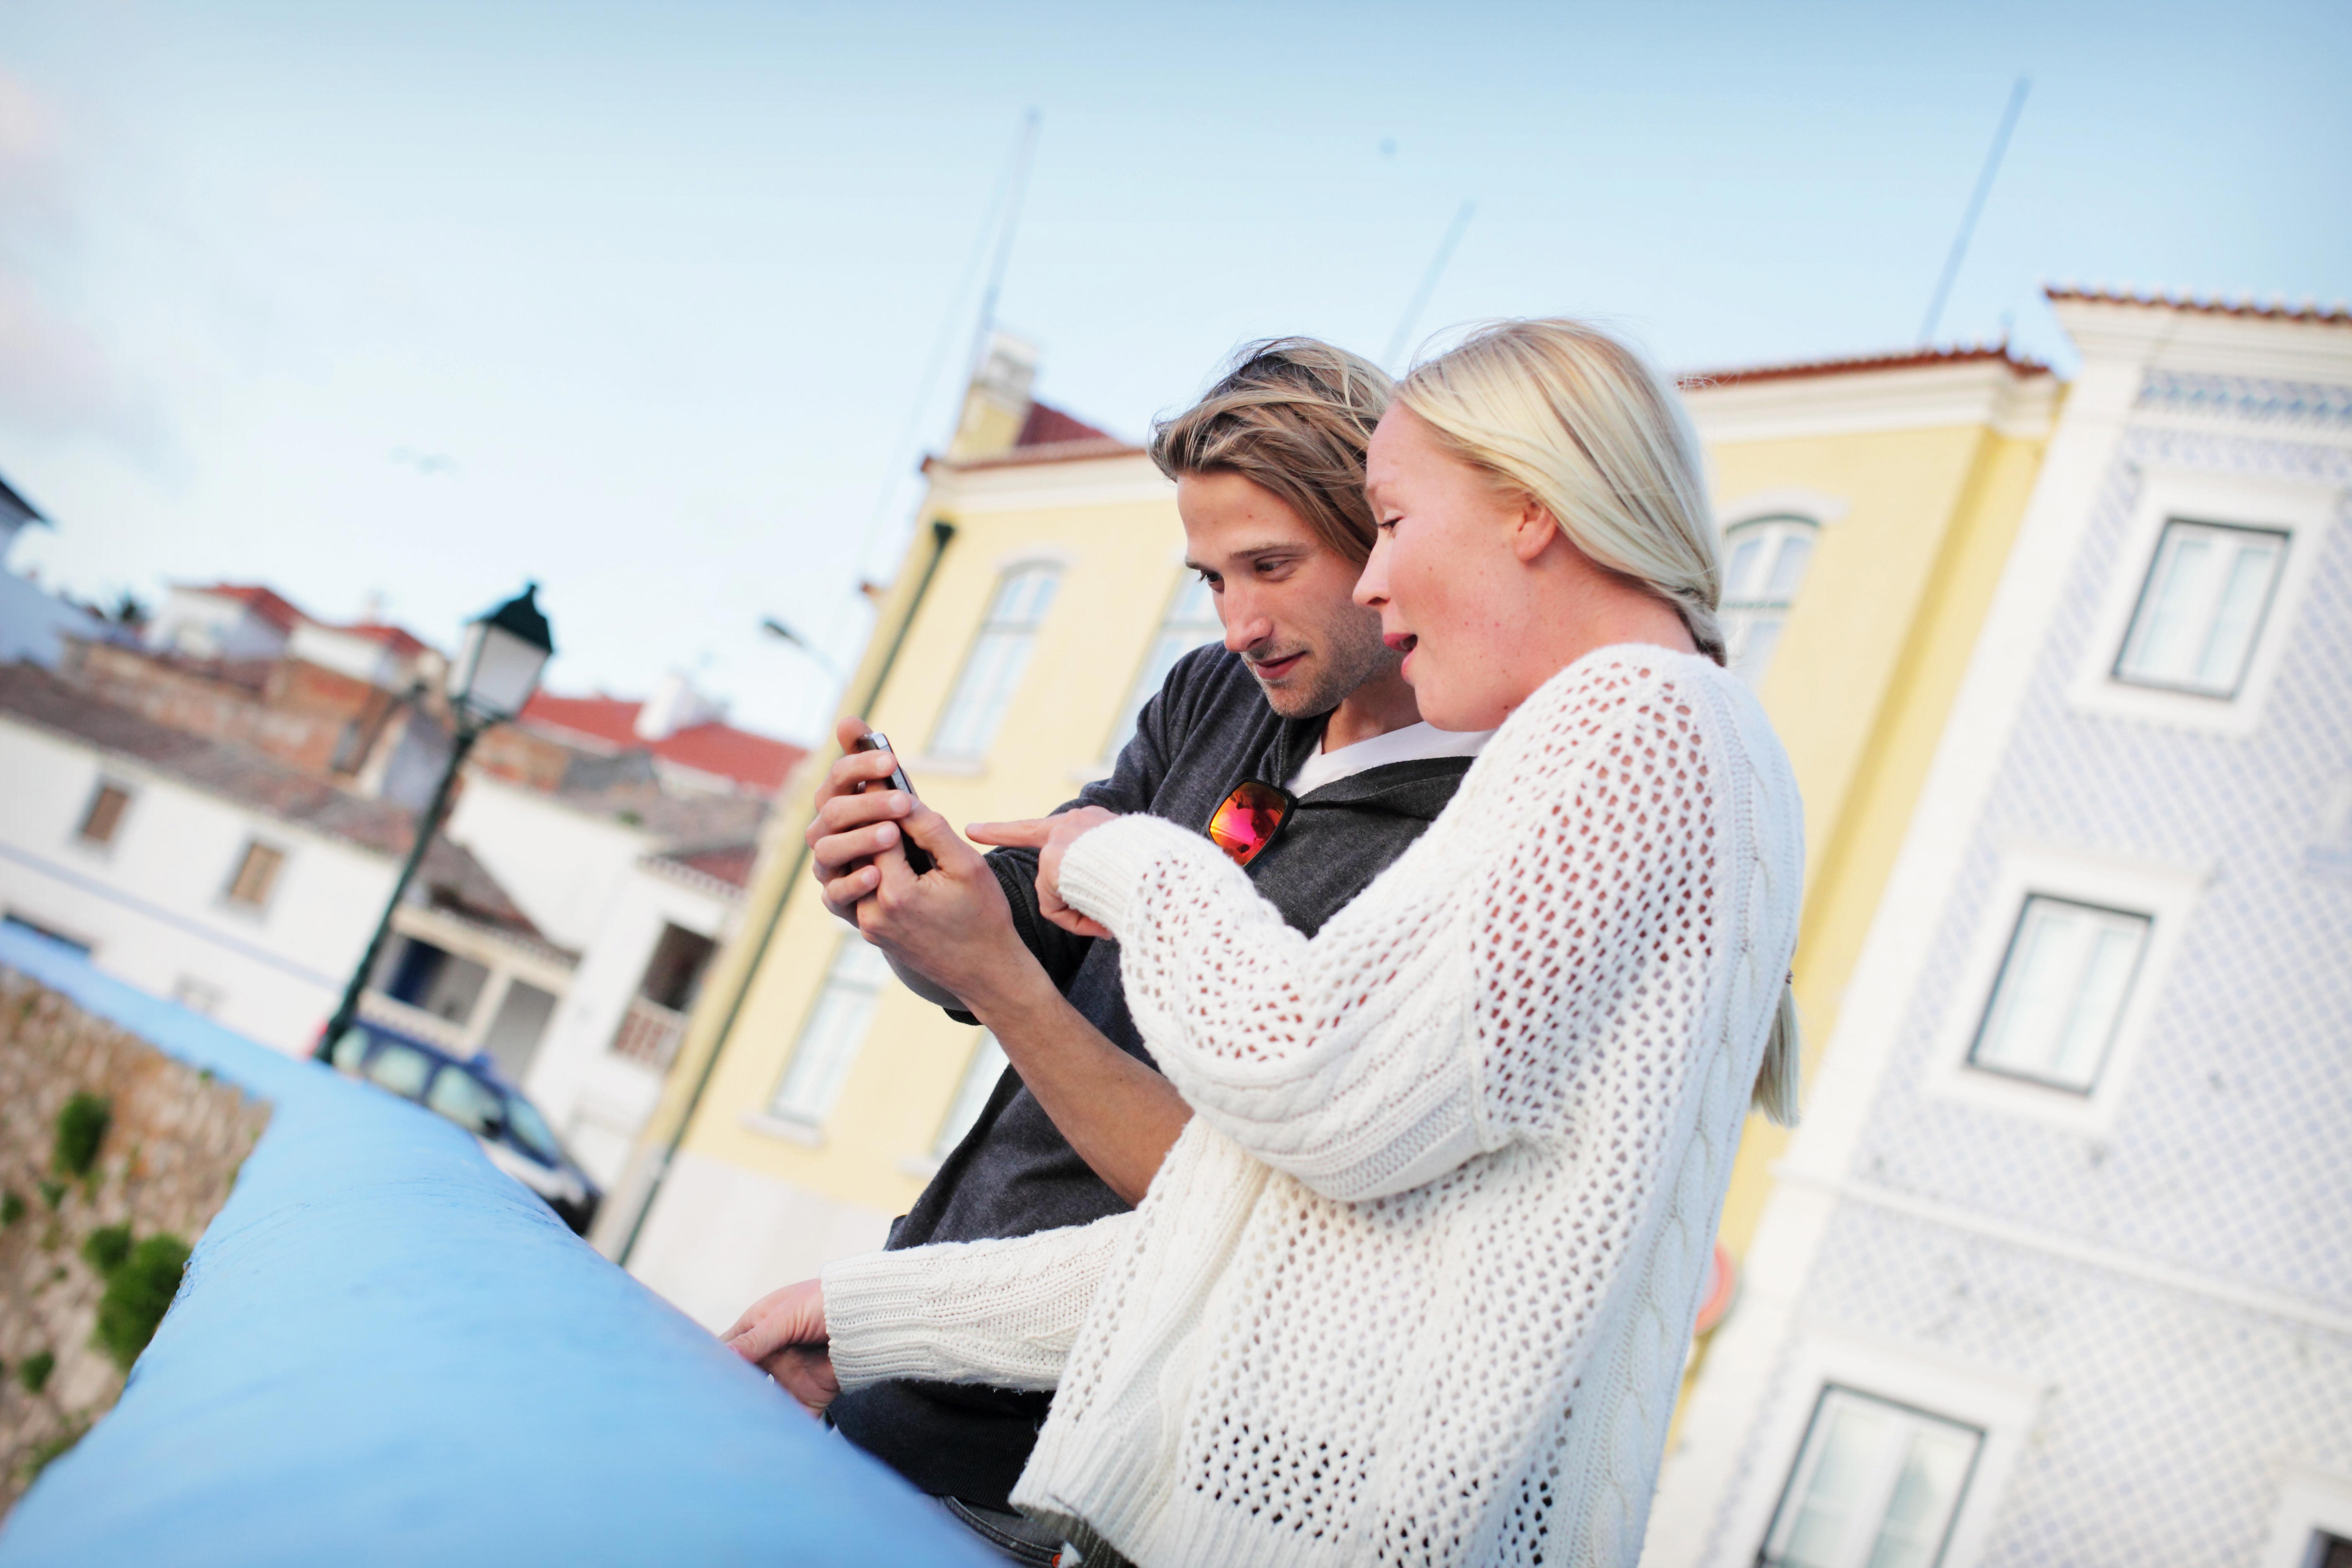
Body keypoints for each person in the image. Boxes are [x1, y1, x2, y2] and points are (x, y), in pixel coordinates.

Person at [728, 317, 1805, 1567]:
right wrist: (867, 1313)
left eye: (1391, 524)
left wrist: (1123, 859)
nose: (1375, 582)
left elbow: (1309, 1084)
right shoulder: (1653, 738)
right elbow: (1267, 1235)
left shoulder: (1642, 717)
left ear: (1529, 508)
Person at [728, 339, 1492, 1564]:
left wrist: (989, 968)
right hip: (898, 1356)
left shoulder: (1467, 835)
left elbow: (1241, 1212)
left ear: (1385, 534)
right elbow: (1026, 922)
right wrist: (913, 902)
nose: (1240, 621)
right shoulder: (1219, 698)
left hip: (1056, 1478)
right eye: (1210, 577)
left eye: (1272, 567)